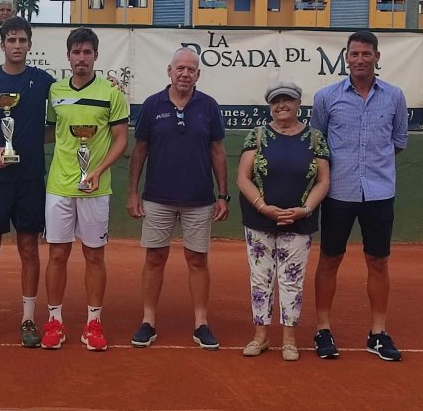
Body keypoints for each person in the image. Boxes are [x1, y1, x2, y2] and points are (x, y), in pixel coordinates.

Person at [310, 30, 408, 362]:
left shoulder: (394, 97)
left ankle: (377, 333)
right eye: (355, 54)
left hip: (380, 193)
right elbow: (318, 145)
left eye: (367, 54)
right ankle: (323, 329)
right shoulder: (326, 97)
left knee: (378, 261)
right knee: (329, 259)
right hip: (337, 193)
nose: (361, 59)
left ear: (377, 58)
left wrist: (373, 169)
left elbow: (396, 142)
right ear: (346, 58)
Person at [127, 47, 229, 350]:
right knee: (154, 258)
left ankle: (201, 323)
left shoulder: (208, 106)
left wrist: (222, 195)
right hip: (158, 197)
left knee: (197, 260)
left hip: (200, 199)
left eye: (191, 69)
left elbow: (218, 152)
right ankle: (148, 321)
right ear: (169, 71)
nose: (185, 74)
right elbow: (140, 150)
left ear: (198, 74)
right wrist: (133, 191)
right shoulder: (152, 104)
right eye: (180, 68)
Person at [0, 16, 55, 348]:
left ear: (30, 44)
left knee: (29, 248)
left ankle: (29, 318)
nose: (17, 46)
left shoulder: (44, 81)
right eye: (11, 40)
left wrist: (32, 140)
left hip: (31, 178)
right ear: (2, 44)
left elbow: (66, 117)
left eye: (22, 40)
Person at [41, 27, 128, 351]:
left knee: (94, 256)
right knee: (57, 254)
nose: (81, 58)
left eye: (87, 52)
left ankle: (93, 324)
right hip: (59, 187)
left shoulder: (111, 93)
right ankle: (54, 321)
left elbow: (121, 139)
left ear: (95, 55)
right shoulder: (54, 91)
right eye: (76, 52)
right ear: (68, 56)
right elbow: (51, 132)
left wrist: (98, 170)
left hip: (96, 188)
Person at [237, 81, 330, 361]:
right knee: (261, 278)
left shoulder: (315, 138)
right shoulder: (257, 135)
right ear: (270, 106)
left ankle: (289, 340)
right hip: (259, 221)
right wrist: (262, 207)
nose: (281, 106)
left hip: (299, 222)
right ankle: (260, 337)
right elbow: (243, 177)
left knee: (291, 280)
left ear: (298, 104)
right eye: (276, 101)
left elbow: (324, 180)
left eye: (287, 100)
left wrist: (305, 209)